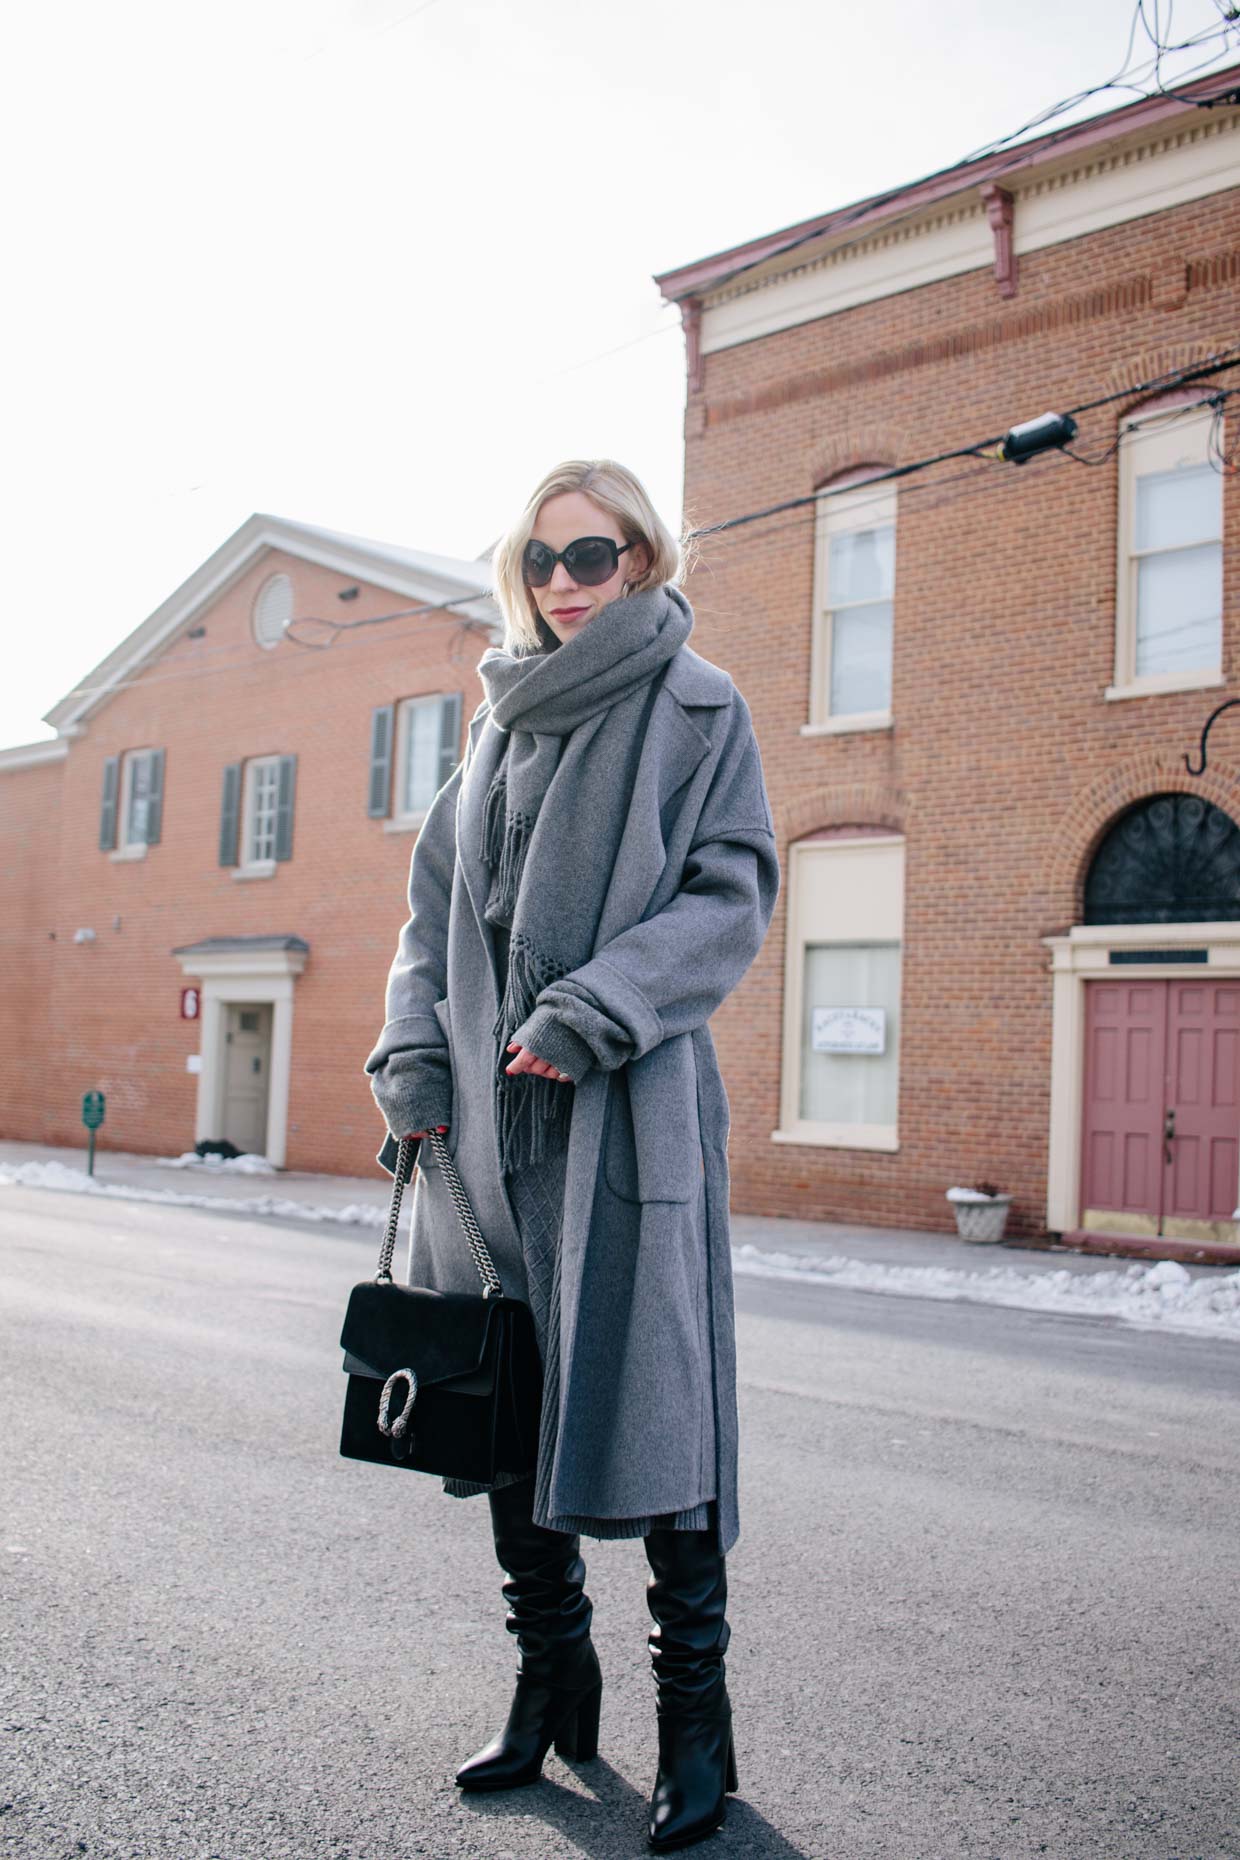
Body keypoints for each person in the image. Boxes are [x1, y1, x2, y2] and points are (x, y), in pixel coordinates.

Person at [364, 458, 780, 1851]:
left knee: (659, 1422)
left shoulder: (698, 708)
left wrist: (600, 1008)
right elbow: (429, 919)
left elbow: (734, 894)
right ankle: (553, 1679)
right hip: (485, 1136)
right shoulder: (492, 732)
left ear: (643, 562)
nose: (562, 582)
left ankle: (694, 1726)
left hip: (624, 1121)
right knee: (504, 1414)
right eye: (541, 559)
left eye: (591, 557)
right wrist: (416, 1061)